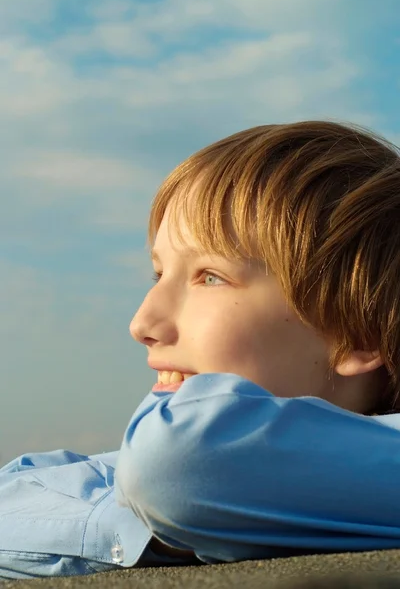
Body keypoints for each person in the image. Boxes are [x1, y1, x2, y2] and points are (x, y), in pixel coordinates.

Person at [1, 120, 400, 580]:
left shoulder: (190, 452)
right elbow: (16, 485)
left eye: (210, 277)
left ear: (355, 333)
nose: (142, 324)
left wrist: (169, 517)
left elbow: (177, 459)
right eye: (159, 275)